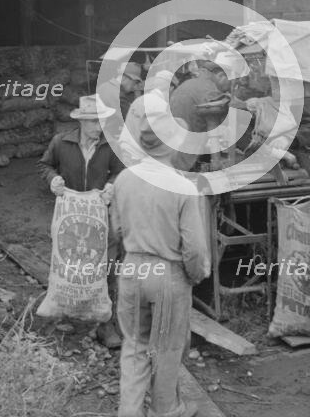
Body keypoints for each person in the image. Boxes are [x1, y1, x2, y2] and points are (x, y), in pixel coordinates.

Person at [111, 114, 210, 417]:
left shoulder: (123, 179)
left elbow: (116, 231)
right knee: (167, 350)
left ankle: (129, 412)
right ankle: (166, 411)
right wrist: (194, 276)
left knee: (135, 346)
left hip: (131, 269)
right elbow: (194, 249)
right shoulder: (181, 186)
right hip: (167, 274)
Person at [38, 94, 125, 349]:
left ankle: (105, 322)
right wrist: (52, 179)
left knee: (105, 263)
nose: (98, 128)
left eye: (101, 122)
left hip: (100, 214)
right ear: (82, 123)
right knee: (69, 260)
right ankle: (64, 310)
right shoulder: (61, 142)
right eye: (93, 123)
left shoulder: (110, 145)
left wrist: (111, 185)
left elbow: (121, 170)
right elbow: (44, 165)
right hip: (71, 214)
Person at [118, 70, 175, 164]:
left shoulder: (140, 100)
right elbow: (158, 138)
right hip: (137, 156)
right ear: (171, 88)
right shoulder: (160, 105)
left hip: (125, 150)